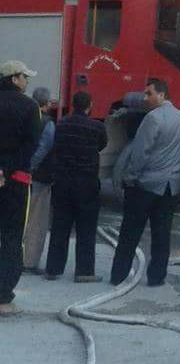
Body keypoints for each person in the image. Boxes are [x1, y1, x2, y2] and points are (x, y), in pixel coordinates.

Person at [110, 79, 180, 288]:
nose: (145, 98)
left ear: (162, 95)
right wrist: (178, 174)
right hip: (171, 186)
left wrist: (130, 176)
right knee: (162, 234)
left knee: (130, 233)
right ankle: (157, 277)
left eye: (149, 93)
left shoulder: (152, 118)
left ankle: (119, 275)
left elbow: (141, 152)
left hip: (146, 184)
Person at [45, 91, 107, 282]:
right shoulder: (97, 127)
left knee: (60, 226)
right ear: (89, 105)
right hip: (86, 183)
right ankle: (84, 271)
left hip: (63, 181)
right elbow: (101, 145)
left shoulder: (61, 124)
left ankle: (53, 269)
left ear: (73, 104)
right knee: (86, 228)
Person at [0, 60, 41, 316]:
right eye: (25, 77)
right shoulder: (30, 106)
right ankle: (3, 297)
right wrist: (5, 171)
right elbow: (30, 145)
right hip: (15, 181)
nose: (27, 81)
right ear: (14, 79)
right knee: (12, 237)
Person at [23, 87, 55, 273]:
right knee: (37, 220)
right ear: (47, 103)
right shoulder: (48, 124)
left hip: (19, 175)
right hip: (39, 178)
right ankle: (29, 261)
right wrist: (30, 168)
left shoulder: (25, 117)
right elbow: (43, 149)